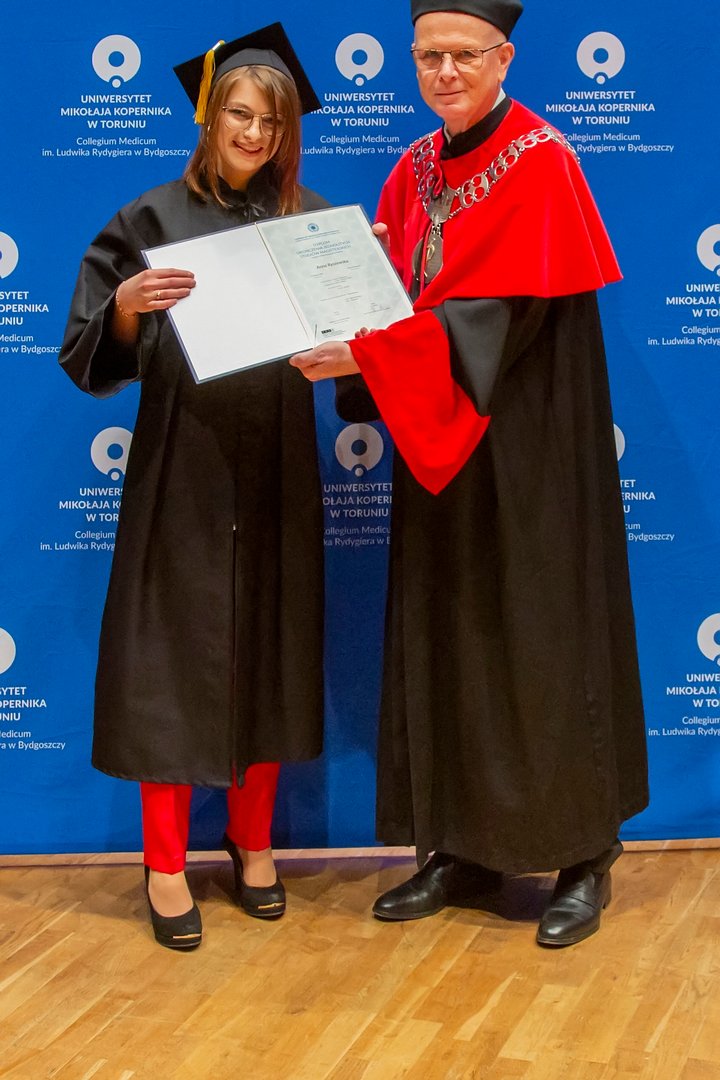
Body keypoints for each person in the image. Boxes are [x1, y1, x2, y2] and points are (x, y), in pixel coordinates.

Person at [290, 0, 649, 947]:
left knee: (542, 636)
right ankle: (462, 846)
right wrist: (354, 320)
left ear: (503, 58)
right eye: (428, 57)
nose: (444, 72)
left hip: (530, 446)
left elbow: (504, 318)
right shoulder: (411, 167)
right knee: (447, 630)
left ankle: (583, 854)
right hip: (438, 441)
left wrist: (376, 354)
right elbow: (395, 297)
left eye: (463, 55)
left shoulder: (543, 160)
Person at [59, 24, 327, 950]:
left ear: (289, 133)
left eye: (272, 121)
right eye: (239, 115)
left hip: (280, 460)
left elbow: (355, 351)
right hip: (183, 463)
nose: (254, 133)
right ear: (210, 118)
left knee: (270, 646)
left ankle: (254, 843)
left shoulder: (310, 221)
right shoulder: (150, 218)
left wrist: (355, 289)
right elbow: (90, 351)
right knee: (170, 660)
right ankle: (166, 863)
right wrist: (127, 308)